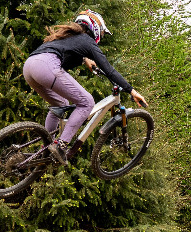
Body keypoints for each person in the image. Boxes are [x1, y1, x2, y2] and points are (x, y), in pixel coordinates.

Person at [23, 9, 148, 165]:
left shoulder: (68, 37)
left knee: (60, 104)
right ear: (95, 28)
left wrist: (84, 59)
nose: (100, 38)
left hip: (29, 68)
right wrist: (131, 90)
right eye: (101, 34)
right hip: (46, 67)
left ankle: (45, 147)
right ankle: (60, 146)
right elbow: (109, 70)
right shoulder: (86, 41)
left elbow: (68, 50)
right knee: (87, 102)